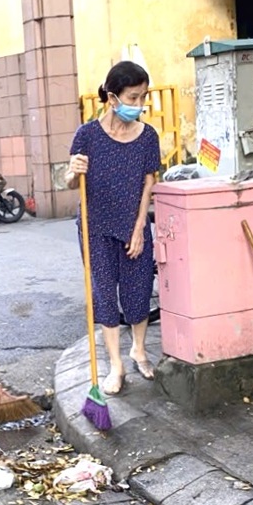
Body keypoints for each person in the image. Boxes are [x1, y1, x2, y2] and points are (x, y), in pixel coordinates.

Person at [67, 60, 160, 395]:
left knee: (137, 290)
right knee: (105, 296)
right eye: (132, 98)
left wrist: (139, 230)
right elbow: (69, 181)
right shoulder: (87, 135)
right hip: (95, 227)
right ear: (111, 97)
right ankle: (116, 365)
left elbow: (148, 184)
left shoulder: (148, 136)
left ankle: (138, 349)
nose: (138, 105)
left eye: (142, 97)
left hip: (132, 224)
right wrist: (71, 170)